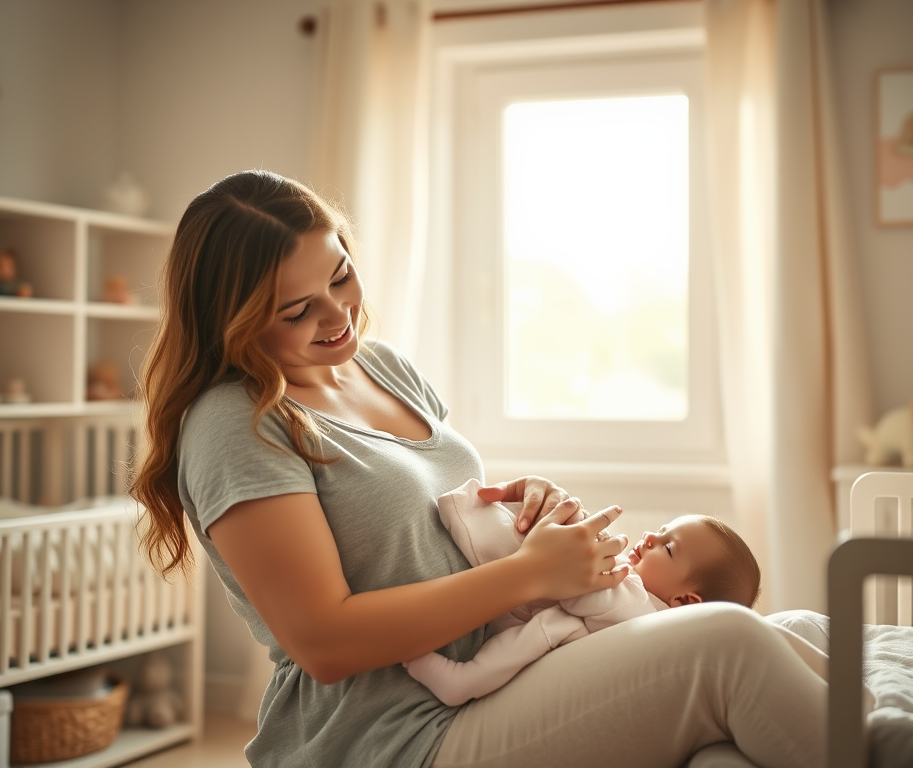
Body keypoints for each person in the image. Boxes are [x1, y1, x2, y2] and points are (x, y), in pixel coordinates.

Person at [131, 169, 832, 768]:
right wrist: (532, 573)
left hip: (507, 665)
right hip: (400, 728)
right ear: (235, 318)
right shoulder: (236, 423)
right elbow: (324, 641)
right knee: (728, 642)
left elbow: (436, 523)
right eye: (297, 310)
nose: (339, 313)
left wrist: (525, 510)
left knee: (799, 628)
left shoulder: (382, 367)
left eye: (341, 275)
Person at [404, 478, 763, 705]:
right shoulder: (633, 588)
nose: (651, 537)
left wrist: (583, 551)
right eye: (663, 530)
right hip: (544, 627)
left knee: (503, 659)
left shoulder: (643, 613)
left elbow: (581, 589)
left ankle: (460, 682)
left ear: (684, 601)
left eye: (668, 548)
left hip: (542, 646)